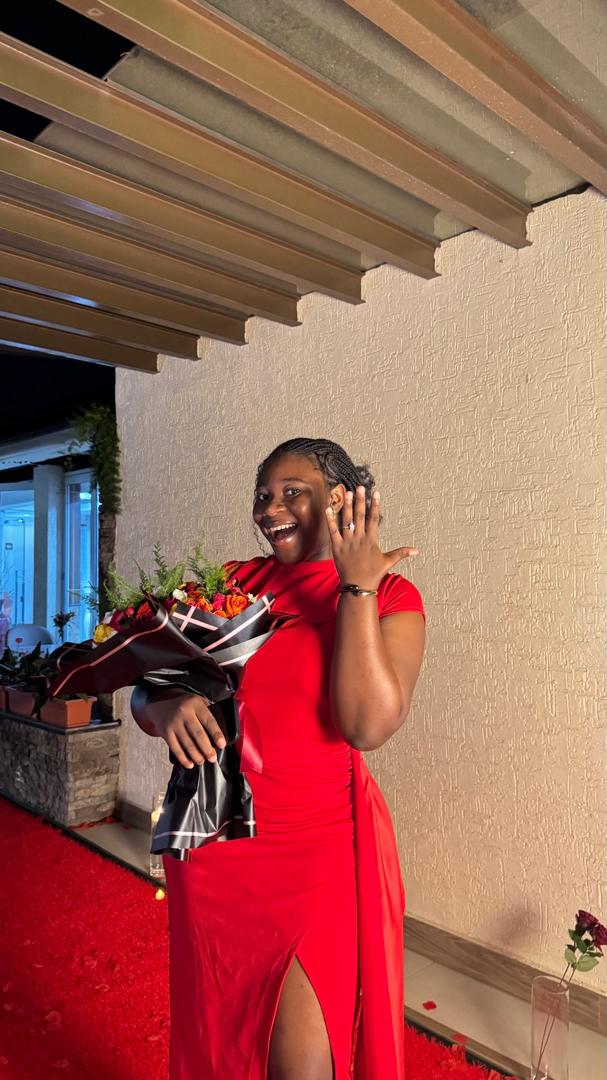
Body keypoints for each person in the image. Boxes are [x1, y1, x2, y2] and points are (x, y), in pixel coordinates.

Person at [131, 437, 426, 1080]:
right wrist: (166, 708)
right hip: (219, 848)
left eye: (294, 492)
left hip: (316, 852)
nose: (271, 509)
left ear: (343, 501)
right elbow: (144, 682)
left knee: (303, 1063)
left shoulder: (394, 597)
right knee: (222, 1038)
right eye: (263, 496)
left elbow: (366, 724)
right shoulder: (235, 584)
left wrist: (356, 588)